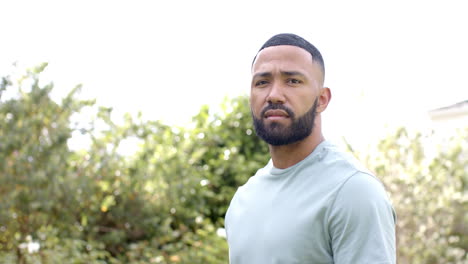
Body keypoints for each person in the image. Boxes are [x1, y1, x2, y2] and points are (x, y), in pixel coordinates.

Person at [224, 33, 396, 264]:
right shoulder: (243, 198)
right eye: (262, 82)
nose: (274, 94)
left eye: (293, 80)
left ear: (322, 99)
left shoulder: (352, 191)